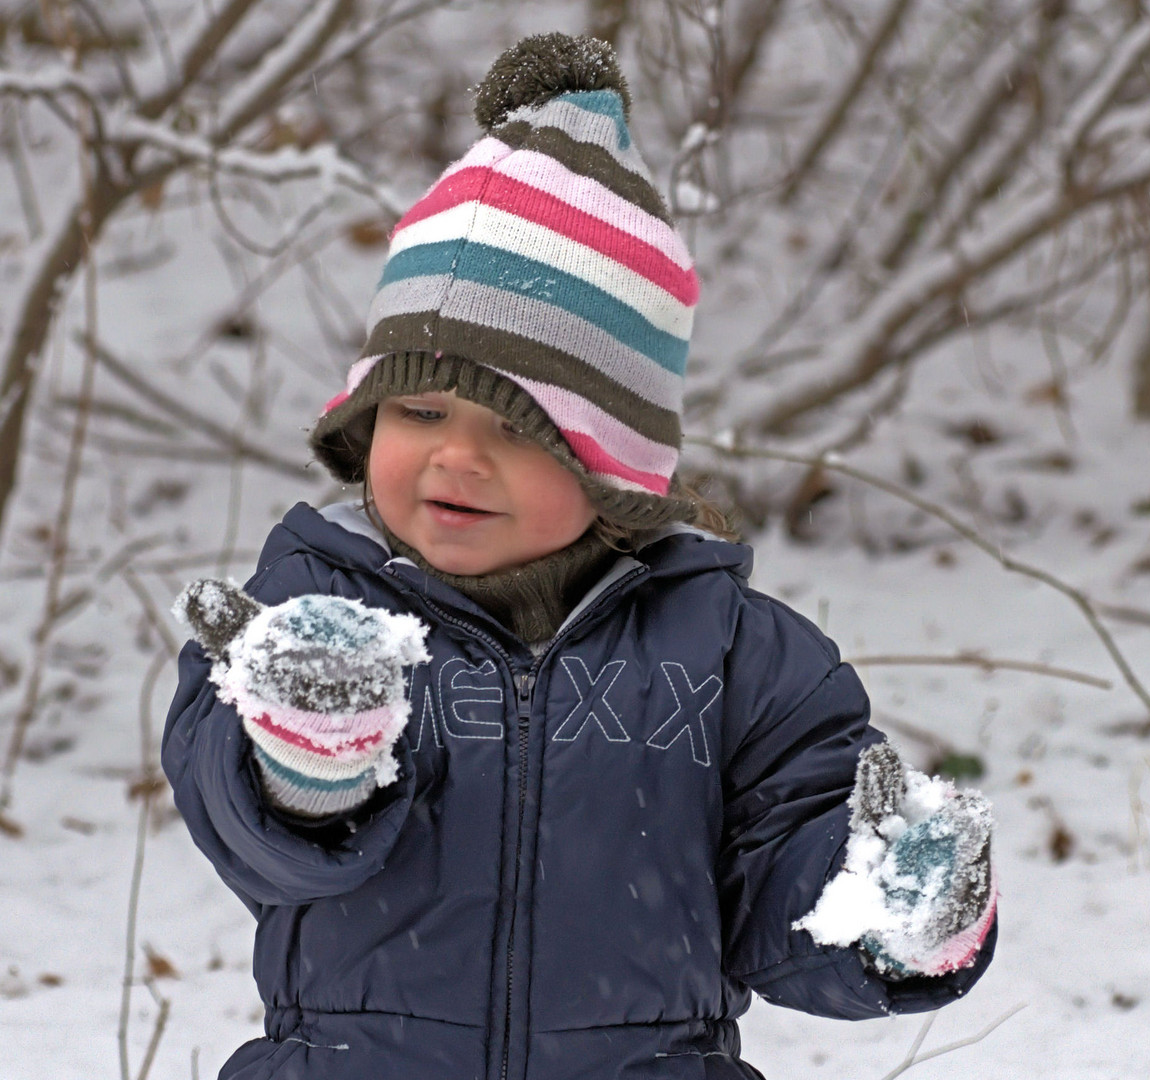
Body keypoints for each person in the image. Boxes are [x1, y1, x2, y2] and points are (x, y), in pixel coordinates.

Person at [160, 32, 996, 1080]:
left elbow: (788, 899)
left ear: (612, 469)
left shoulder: (733, 655)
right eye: (417, 408)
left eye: (519, 429)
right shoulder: (309, 610)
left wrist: (891, 903)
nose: (455, 456)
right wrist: (307, 760)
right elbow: (247, 833)